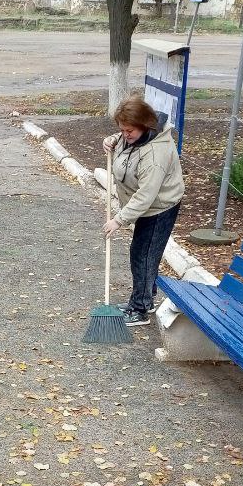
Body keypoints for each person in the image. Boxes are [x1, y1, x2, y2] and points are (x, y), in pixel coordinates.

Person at [101, 96, 185, 326]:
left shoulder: (156, 154)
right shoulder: (136, 136)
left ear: (144, 125)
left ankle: (140, 308)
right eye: (122, 130)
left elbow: (146, 195)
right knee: (142, 253)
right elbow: (123, 141)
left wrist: (119, 220)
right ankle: (145, 299)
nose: (125, 134)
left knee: (144, 255)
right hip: (144, 205)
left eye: (128, 131)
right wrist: (112, 140)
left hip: (159, 207)